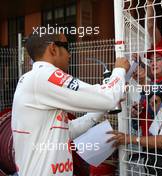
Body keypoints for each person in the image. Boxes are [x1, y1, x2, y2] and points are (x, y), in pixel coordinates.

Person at [11, 33, 130, 176]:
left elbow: (64, 132)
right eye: (67, 47)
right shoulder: (46, 76)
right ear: (53, 48)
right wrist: (119, 70)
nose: (69, 55)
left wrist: (100, 109)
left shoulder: (32, 78)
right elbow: (108, 97)